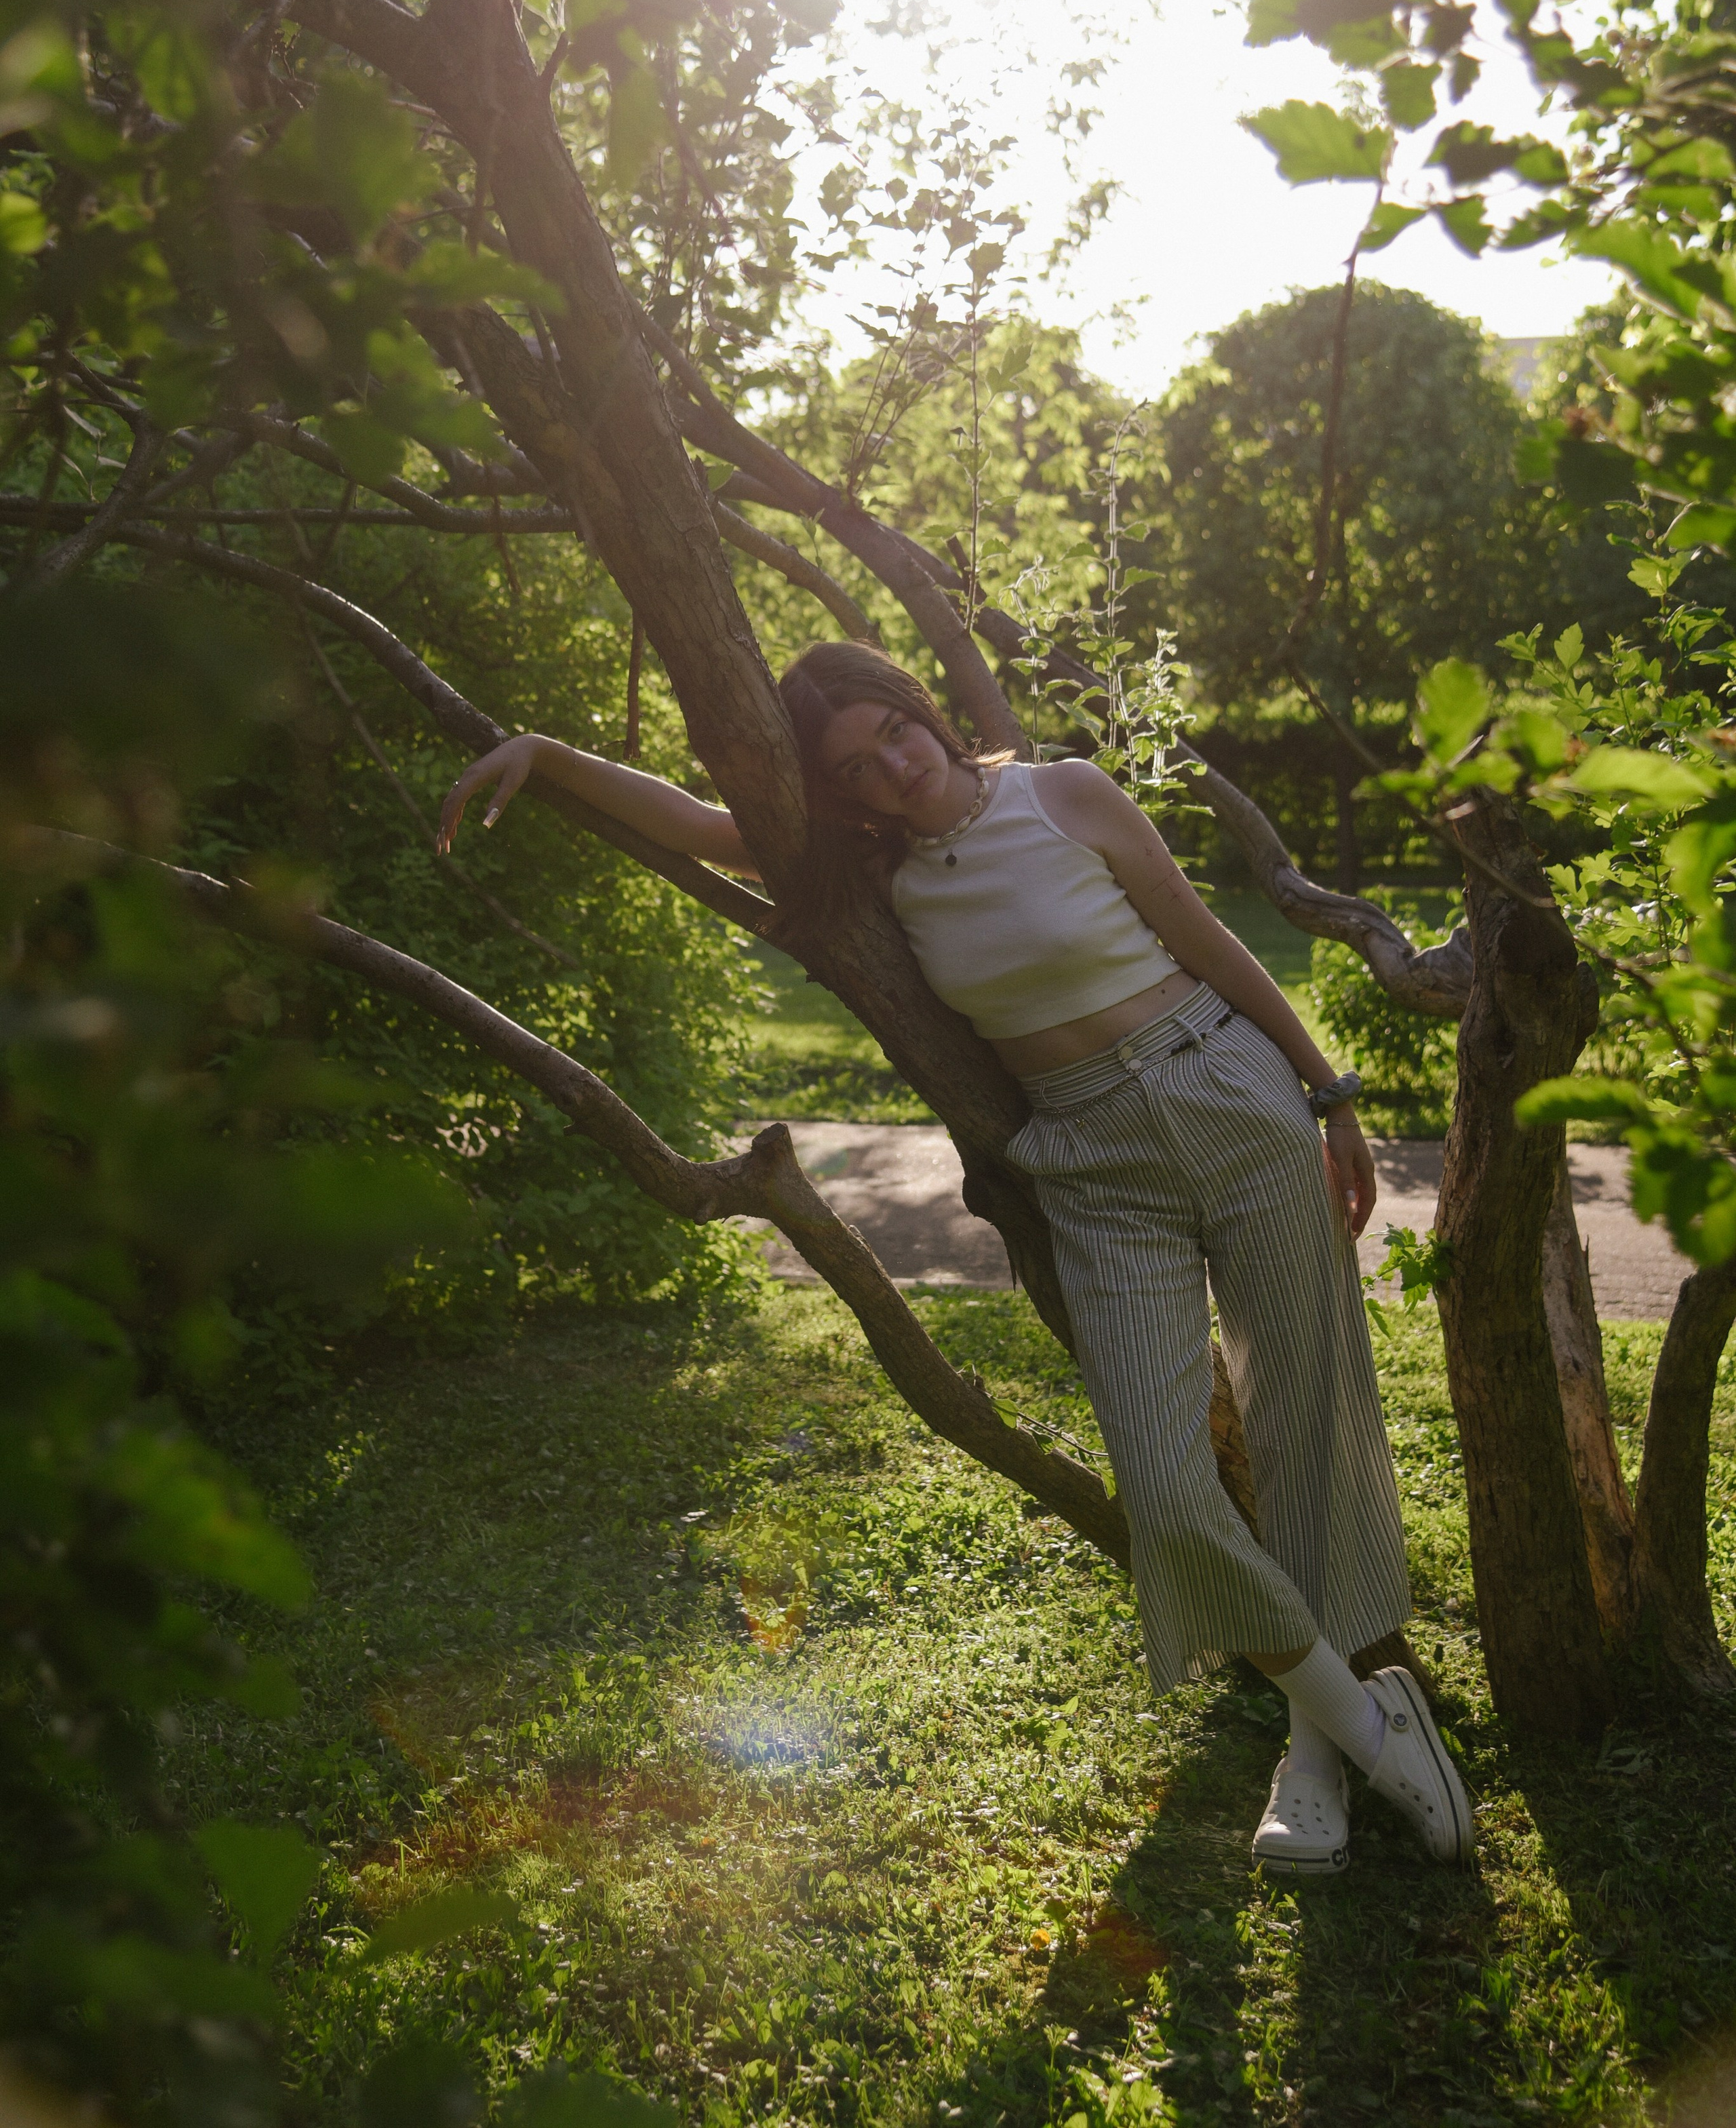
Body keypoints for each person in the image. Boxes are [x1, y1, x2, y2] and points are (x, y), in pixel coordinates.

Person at [437, 639, 1472, 1878]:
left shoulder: (1066, 791)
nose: (889, 769)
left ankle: (1316, 1754)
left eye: (894, 732)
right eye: (855, 767)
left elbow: (1205, 938)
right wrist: (546, 754)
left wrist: (1332, 1095)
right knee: (1163, 1476)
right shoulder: (873, 872)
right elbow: (700, 821)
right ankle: (1367, 1720)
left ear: (918, 705)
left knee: (1303, 1417)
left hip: (1228, 1085)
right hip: (1090, 1158)